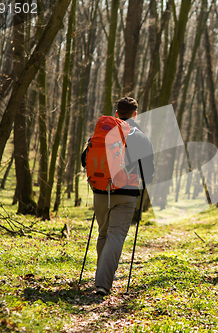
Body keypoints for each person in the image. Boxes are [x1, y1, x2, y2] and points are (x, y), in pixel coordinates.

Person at [84, 97, 154, 296]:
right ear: (135, 114)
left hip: (100, 191)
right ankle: (103, 284)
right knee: (116, 235)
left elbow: (84, 159)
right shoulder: (141, 138)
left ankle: (101, 277)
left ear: (116, 113)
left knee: (104, 234)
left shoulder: (102, 133)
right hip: (127, 193)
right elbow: (149, 172)